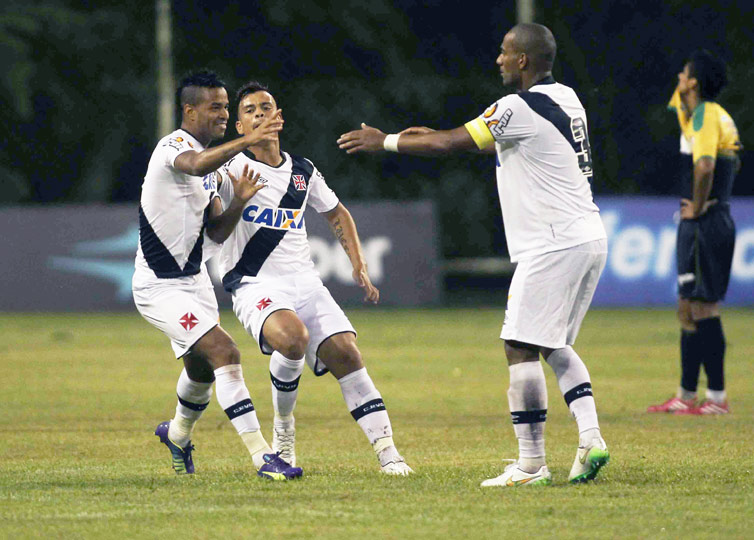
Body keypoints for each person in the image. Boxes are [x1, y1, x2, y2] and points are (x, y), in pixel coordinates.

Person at [338, 23, 609, 487]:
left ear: (523, 60)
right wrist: (445, 132)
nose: (498, 60)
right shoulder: (567, 98)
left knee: (519, 346)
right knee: (552, 343)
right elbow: (493, 138)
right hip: (587, 235)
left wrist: (384, 141)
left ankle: (530, 465)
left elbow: (450, 144)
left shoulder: (515, 107)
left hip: (553, 242)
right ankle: (590, 439)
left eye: (505, 52)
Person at [214, 81, 413, 476]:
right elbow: (213, 224)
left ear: (279, 117)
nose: (258, 114)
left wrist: (358, 263)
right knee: (292, 339)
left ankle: (389, 453)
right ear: (239, 127)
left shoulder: (302, 171)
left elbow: (337, 213)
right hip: (255, 284)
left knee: (348, 355)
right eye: (249, 110)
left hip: (306, 284)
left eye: (265, 107)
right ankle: (284, 433)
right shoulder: (229, 169)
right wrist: (236, 198)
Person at [132, 69, 303, 480]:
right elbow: (192, 164)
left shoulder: (213, 170)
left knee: (201, 370)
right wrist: (249, 140)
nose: (224, 113)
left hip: (194, 283)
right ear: (189, 110)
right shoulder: (173, 146)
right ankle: (264, 457)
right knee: (226, 352)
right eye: (216, 107)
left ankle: (176, 434)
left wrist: (240, 201)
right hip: (158, 286)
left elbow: (216, 231)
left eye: (226, 106)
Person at [647, 51, 740, 415]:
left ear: (695, 82)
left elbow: (704, 167)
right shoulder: (697, 113)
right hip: (699, 224)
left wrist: (699, 206)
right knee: (687, 308)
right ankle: (686, 396)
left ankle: (716, 398)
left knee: (704, 308)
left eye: (684, 73)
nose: (679, 76)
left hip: (706, 222)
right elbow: (679, 104)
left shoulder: (706, 115)